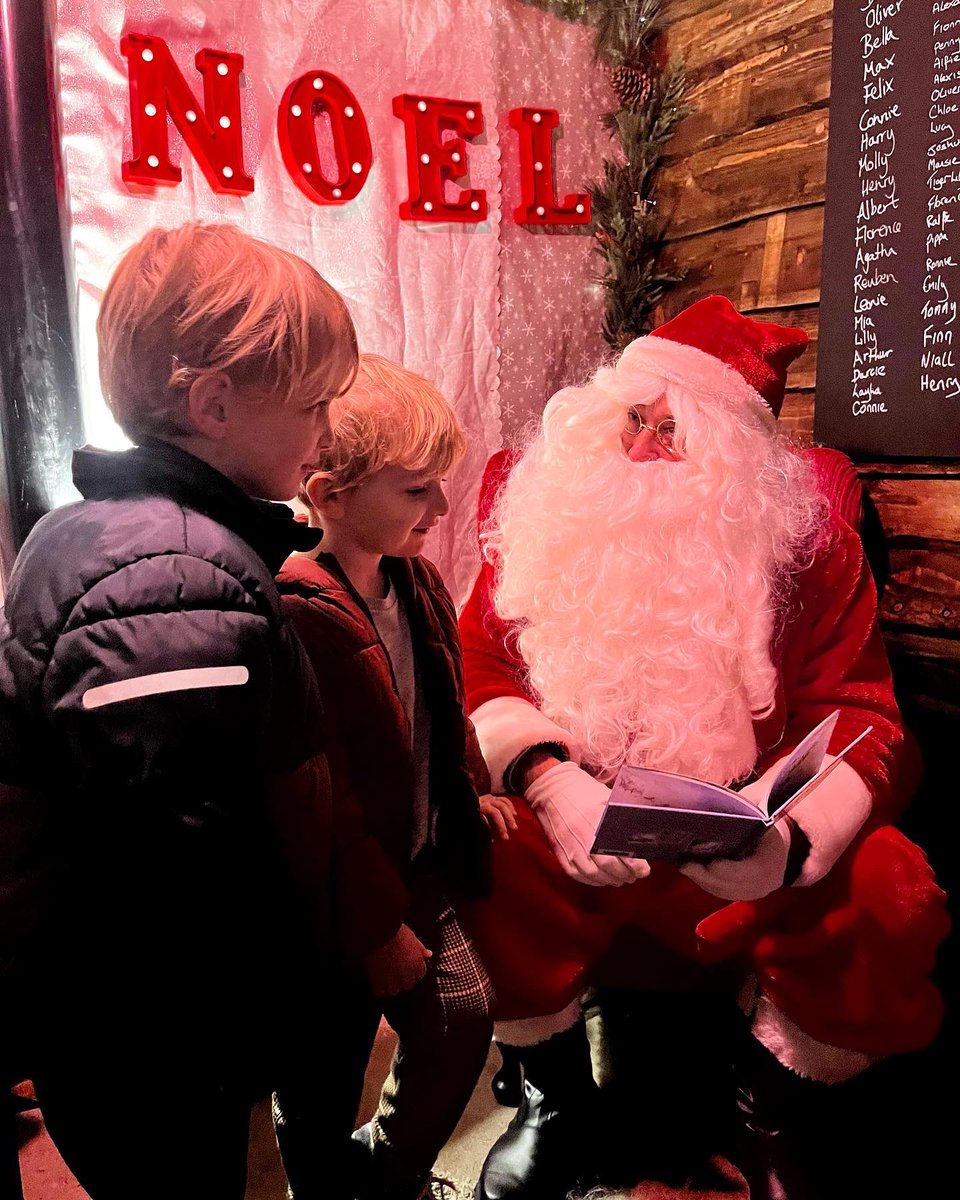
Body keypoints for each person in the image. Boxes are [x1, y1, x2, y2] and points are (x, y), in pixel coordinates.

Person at [458, 296, 949, 1198]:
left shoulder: (813, 551)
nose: (640, 449)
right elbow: (482, 663)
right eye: (630, 420)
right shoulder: (548, 527)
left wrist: (790, 845)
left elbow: (868, 717)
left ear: (735, 462)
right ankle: (554, 1101)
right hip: (584, 848)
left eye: (673, 432)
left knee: (890, 885)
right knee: (482, 846)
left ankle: (770, 1109)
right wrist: (545, 777)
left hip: (748, 850)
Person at [0, 222, 358, 1200]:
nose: (327, 431)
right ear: (214, 403)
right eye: (314, 405)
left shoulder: (110, 535)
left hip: (121, 1029)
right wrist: (257, 1028)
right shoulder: (172, 571)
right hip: (157, 1043)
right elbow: (181, 867)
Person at [274, 354, 504, 1200]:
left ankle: (386, 1178)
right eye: (417, 491)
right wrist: (374, 930)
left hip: (415, 859)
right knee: (319, 1079)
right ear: (330, 494)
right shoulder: (297, 608)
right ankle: (328, 1183)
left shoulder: (419, 578)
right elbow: (315, 797)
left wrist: (473, 786)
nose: (441, 508)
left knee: (460, 1013)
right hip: (336, 899)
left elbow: (447, 701)